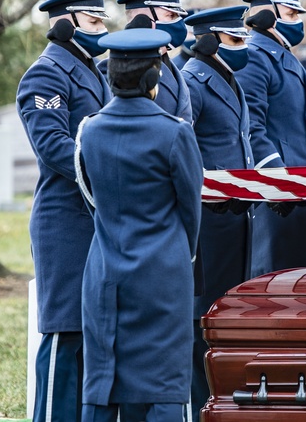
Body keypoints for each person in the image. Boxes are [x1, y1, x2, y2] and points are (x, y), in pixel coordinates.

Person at [75, 28, 202, 422]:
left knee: (104, 380)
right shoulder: (175, 132)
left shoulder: (89, 130)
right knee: (164, 384)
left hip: (105, 268)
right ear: (152, 80)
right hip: (163, 274)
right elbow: (190, 207)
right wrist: (183, 252)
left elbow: (91, 195)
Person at [16, 0, 112, 422]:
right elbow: (53, 147)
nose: (100, 29)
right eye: (93, 21)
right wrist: (111, 175)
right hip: (66, 221)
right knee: (64, 336)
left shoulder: (92, 70)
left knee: (92, 334)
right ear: (65, 24)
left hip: (97, 219)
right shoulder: (46, 74)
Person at [179, 6, 255, 418]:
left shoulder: (227, 77)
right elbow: (186, 151)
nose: (243, 48)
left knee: (226, 316)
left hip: (234, 218)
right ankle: (198, 403)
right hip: (209, 220)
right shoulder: (194, 81)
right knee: (203, 319)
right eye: (235, 40)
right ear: (208, 40)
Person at [238, 0, 306, 276]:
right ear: (268, 15)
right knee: (277, 290)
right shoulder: (254, 56)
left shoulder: (286, 56)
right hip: (281, 198)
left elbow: (305, 131)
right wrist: (278, 183)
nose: (298, 20)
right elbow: (251, 128)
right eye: (290, 13)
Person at [115, 0, 192, 123]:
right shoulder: (120, 69)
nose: (179, 22)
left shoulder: (169, 64)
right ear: (142, 20)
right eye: (171, 16)